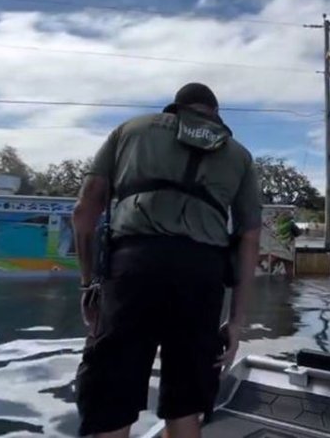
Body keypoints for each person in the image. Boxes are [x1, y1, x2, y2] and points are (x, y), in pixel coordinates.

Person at [72, 83, 262, 438]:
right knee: (186, 403)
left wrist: (88, 283)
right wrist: (236, 320)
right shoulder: (238, 155)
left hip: (133, 270)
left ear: (174, 108)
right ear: (215, 114)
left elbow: (85, 212)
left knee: (110, 399)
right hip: (202, 277)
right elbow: (250, 238)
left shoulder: (131, 130)